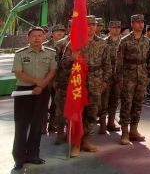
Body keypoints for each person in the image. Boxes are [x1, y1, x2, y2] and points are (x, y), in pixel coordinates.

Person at [60, 15, 111, 158]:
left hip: (96, 82)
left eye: (94, 24)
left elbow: (107, 63)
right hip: (78, 82)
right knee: (77, 112)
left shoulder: (101, 42)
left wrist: (105, 80)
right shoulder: (74, 43)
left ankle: (86, 141)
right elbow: (63, 64)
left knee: (91, 113)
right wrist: (72, 58)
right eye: (88, 25)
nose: (92, 27)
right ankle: (75, 144)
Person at [12, 27, 57, 171]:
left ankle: (33, 155)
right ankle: (19, 158)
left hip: (42, 91)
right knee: (21, 125)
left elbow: (53, 70)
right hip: (24, 92)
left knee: (37, 125)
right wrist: (37, 83)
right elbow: (18, 73)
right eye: (33, 36)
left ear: (45, 38)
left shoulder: (51, 53)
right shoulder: (20, 54)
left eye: (40, 36)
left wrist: (42, 85)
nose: (37, 38)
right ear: (28, 38)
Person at [116, 14, 150, 146]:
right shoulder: (124, 40)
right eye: (137, 22)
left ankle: (134, 130)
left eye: (142, 22)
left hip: (142, 75)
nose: (140, 24)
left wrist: (149, 75)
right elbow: (119, 61)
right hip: (128, 76)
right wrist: (119, 77)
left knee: (138, 104)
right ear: (132, 24)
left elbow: (149, 59)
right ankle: (125, 132)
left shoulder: (146, 41)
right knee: (126, 104)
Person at [99, 21, 123, 134]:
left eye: (118, 27)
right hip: (106, 75)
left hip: (118, 75)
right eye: (114, 27)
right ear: (109, 28)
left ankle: (111, 122)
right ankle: (102, 124)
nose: (117, 29)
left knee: (115, 99)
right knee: (104, 100)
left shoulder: (122, 42)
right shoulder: (103, 42)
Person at [41, 24, 66, 134]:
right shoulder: (45, 46)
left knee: (56, 104)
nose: (59, 33)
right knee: (44, 102)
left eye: (61, 31)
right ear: (52, 33)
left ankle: (52, 124)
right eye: (57, 31)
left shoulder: (67, 45)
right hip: (47, 78)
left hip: (60, 79)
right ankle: (43, 125)